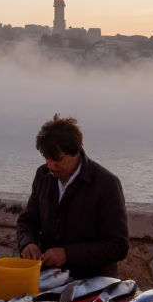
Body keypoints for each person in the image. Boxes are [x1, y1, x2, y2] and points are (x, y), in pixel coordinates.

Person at [17, 115, 129, 280]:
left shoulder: (106, 183)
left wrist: (67, 254)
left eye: (57, 159)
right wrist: (27, 243)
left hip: (93, 285)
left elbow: (118, 246)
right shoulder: (43, 175)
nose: (50, 166)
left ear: (75, 151)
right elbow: (27, 221)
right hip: (49, 282)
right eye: (46, 158)